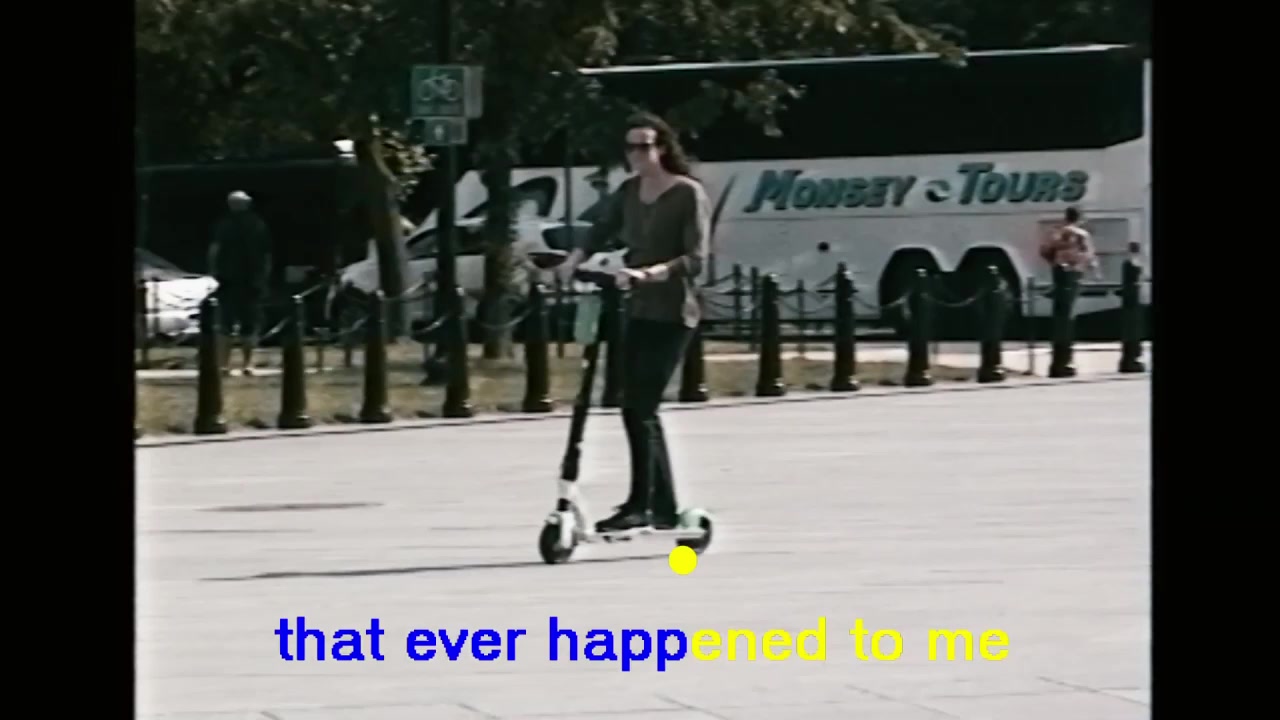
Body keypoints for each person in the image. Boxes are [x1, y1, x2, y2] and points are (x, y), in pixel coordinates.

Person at [557, 112, 712, 533]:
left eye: (644, 146)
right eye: (630, 148)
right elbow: (601, 228)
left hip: (673, 312)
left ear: (662, 148)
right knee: (634, 407)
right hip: (636, 308)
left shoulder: (687, 193)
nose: (636, 155)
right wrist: (574, 259)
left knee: (641, 407)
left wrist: (654, 272)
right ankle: (660, 505)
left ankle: (643, 505)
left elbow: (696, 258)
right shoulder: (628, 191)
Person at [208, 190, 272, 375]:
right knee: (248, 324)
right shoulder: (258, 224)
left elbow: (214, 250)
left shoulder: (224, 224)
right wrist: (264, 278)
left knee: (226, 324)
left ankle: (224, 364)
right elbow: (267, 254)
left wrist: (213, 271)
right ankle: (246, 364)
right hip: (249, 281)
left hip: (230, 280)